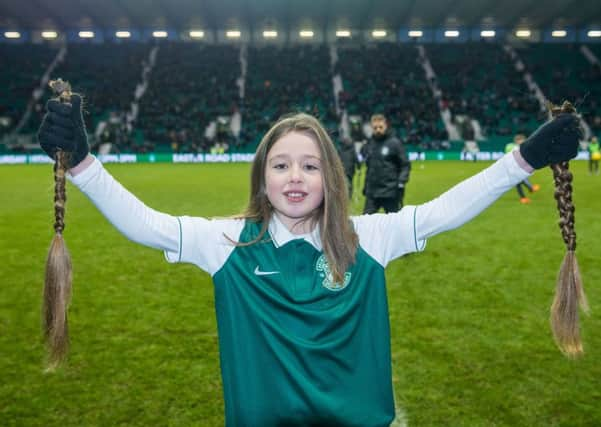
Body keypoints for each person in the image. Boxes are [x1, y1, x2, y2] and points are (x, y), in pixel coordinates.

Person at [38, 95, 581, 427]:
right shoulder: (230, 243)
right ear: (262, 177)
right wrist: (84, 163)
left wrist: (523, 159)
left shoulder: (368, 237)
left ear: (331, 178)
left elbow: (446, 210)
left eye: (310, 166)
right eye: (280, 165)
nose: (294, 177)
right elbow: (146, 223)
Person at [362, 114, 411, 214]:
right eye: (375, 128)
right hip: (372, 192)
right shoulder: (369, 144)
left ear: (386, 126)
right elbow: (369, 167)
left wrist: (401, 182)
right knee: (365, 222)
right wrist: (366, 187)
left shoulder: (395, 143)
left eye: (381, 127)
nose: (378, 130)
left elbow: (405, 165)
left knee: (394, 224)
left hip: (390, 192)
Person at [505, 134, 540, 204]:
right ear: (516, 141)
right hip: (513, 167)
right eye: (520, 140)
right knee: (520, 180)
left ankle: (524, 196)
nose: (522, 142)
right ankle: (530, 189)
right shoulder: (513, 147)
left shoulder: (520, 147)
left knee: (518, 182)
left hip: (517, 167)